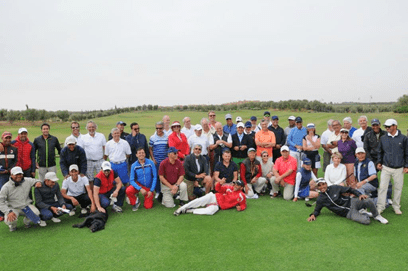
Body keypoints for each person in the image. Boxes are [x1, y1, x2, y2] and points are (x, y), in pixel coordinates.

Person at [307, 179, 389, 225]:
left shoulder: (334, 187)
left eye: (323, 184)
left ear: (326, 184)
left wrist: (359, 195)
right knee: (366, 221)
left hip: (352, 202)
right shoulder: (320, 199)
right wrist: (313, 215)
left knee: (368, 200)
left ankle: (377, 216)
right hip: (348, 213)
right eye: (319, 185)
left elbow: (349, 189)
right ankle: (364, 213)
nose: (322, 187)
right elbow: (317, 209)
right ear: (317, 187)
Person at [376, 119, 408, 215]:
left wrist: (406, 165)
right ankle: (380, 207)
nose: (387, 128)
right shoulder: (383, 138)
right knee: (382, 188)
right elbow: (380, 152)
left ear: (395, 126)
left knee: (398, 188)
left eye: (389, 126)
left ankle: (396, 206)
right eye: (385, 126)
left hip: (399, 168)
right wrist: (379, 162)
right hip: (386, 167)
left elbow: (407, 153)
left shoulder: (403, 138)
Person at [173, 179, 246, 216]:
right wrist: (220, 183)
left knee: (210, 212)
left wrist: (241, 208)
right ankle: (182, 208)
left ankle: (189, 211)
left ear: (241, 187)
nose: (236, 186)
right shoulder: (229, 187)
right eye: (236, 184)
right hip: (214, 197)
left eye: (238, 185)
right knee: (198, 201)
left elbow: (243, 205)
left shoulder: (242, 196)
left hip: (219, 206)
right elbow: (218, 189)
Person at [80, 120, 107, 188]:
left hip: (100, 160)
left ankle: (101, 193)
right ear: (87, 128)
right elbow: (81, 150)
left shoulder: (101, 136)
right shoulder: (83, 137)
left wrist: (104, 159)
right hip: (89, 161)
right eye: (89, 127)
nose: (91, 129)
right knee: (90, 179)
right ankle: (92, 194)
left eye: (93, 127)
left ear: (95, 127)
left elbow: (105, 147)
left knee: (101, 178)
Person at [149, 121, 169, 196]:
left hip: (165, 161)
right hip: (156, 161)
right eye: (157, 128)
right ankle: (157, 191)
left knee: (165, 176)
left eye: (160, 128)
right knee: (156, 176)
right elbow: (150, 148)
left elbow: (168, 148)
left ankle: (166, 191)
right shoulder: (152, 138)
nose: (158, 130)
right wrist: (153, 159)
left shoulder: (167, 137)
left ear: (163, 128)